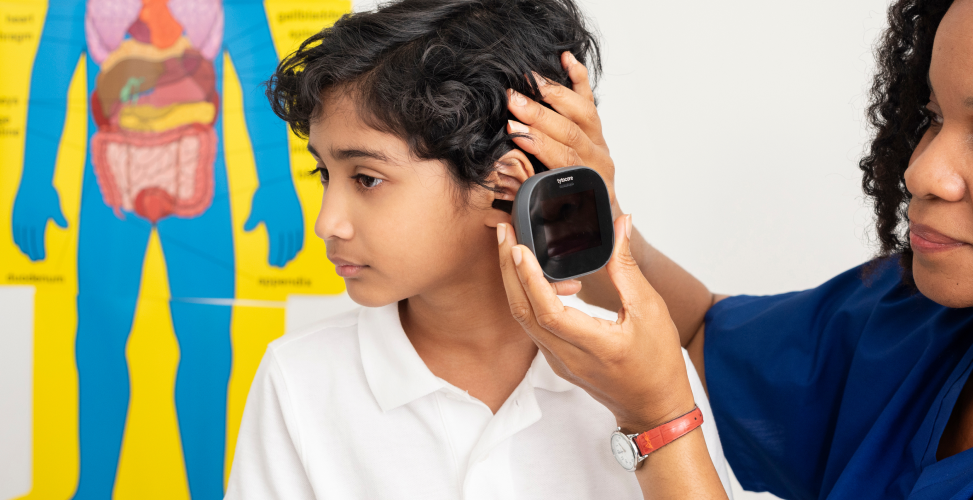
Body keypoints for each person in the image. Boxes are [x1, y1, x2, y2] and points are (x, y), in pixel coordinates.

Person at [496, 0, 973, 498]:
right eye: (933, 117)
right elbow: (700, 336)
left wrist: (659, 424)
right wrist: (591, 206)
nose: (922, 170)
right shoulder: (914, 317)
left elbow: (672, 378)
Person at [224, 0, 731, 498]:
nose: (326, 223)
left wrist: (654, 418)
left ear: (504, 185)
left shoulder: (647, 375)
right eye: (323, 173)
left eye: (367, 178)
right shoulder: (299, 380)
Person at [14, 0, 305, 496]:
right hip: (114, 183)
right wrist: (35, 181)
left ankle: (208, 492)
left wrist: (277, 183)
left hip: (195, 181)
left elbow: (260, 73)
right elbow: (51, 70)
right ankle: (94, 490)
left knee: (204, 341)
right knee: (102, 337)